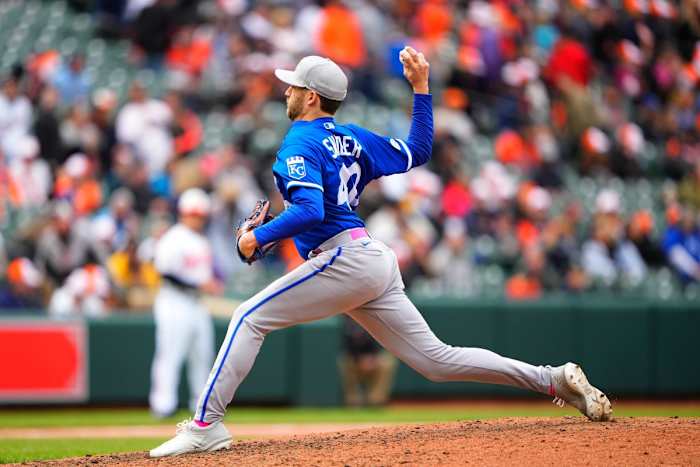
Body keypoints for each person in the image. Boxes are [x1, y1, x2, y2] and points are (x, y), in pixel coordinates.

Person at [150, 48, 612, 458]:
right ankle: (551, 379)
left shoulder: (300, 141)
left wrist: (258, 237)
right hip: (369, 258)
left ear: (311, 96)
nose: (286, 90)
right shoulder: (352, 137)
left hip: (343, 257)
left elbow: (310, 210)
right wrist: (422, 89)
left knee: (248, 318)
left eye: (293, 85)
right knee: (437, 360)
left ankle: (205, 425)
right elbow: (419, 149)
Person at [149, 188, 223, 419]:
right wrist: (198, 284)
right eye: (195, 214)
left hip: (196, 304)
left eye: (201, 215)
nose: (198, 219)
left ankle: (199, 405)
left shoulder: (201, 240)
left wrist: (207, 284)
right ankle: (163, 405)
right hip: (174, 302)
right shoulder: (173, 238)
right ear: (184, 213)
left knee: (202, 354)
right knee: (170, 353)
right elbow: (165, 273)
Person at [338, 316, 397, 407]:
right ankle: (353, 401)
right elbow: (347, 345)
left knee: (388, 362)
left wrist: (372, 358)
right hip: (354, 360)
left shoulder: (374, 316)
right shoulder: (347, 320)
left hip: (373, 358)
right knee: (344, 361)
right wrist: (359, 359)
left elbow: (379, 342)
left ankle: (376, 400)